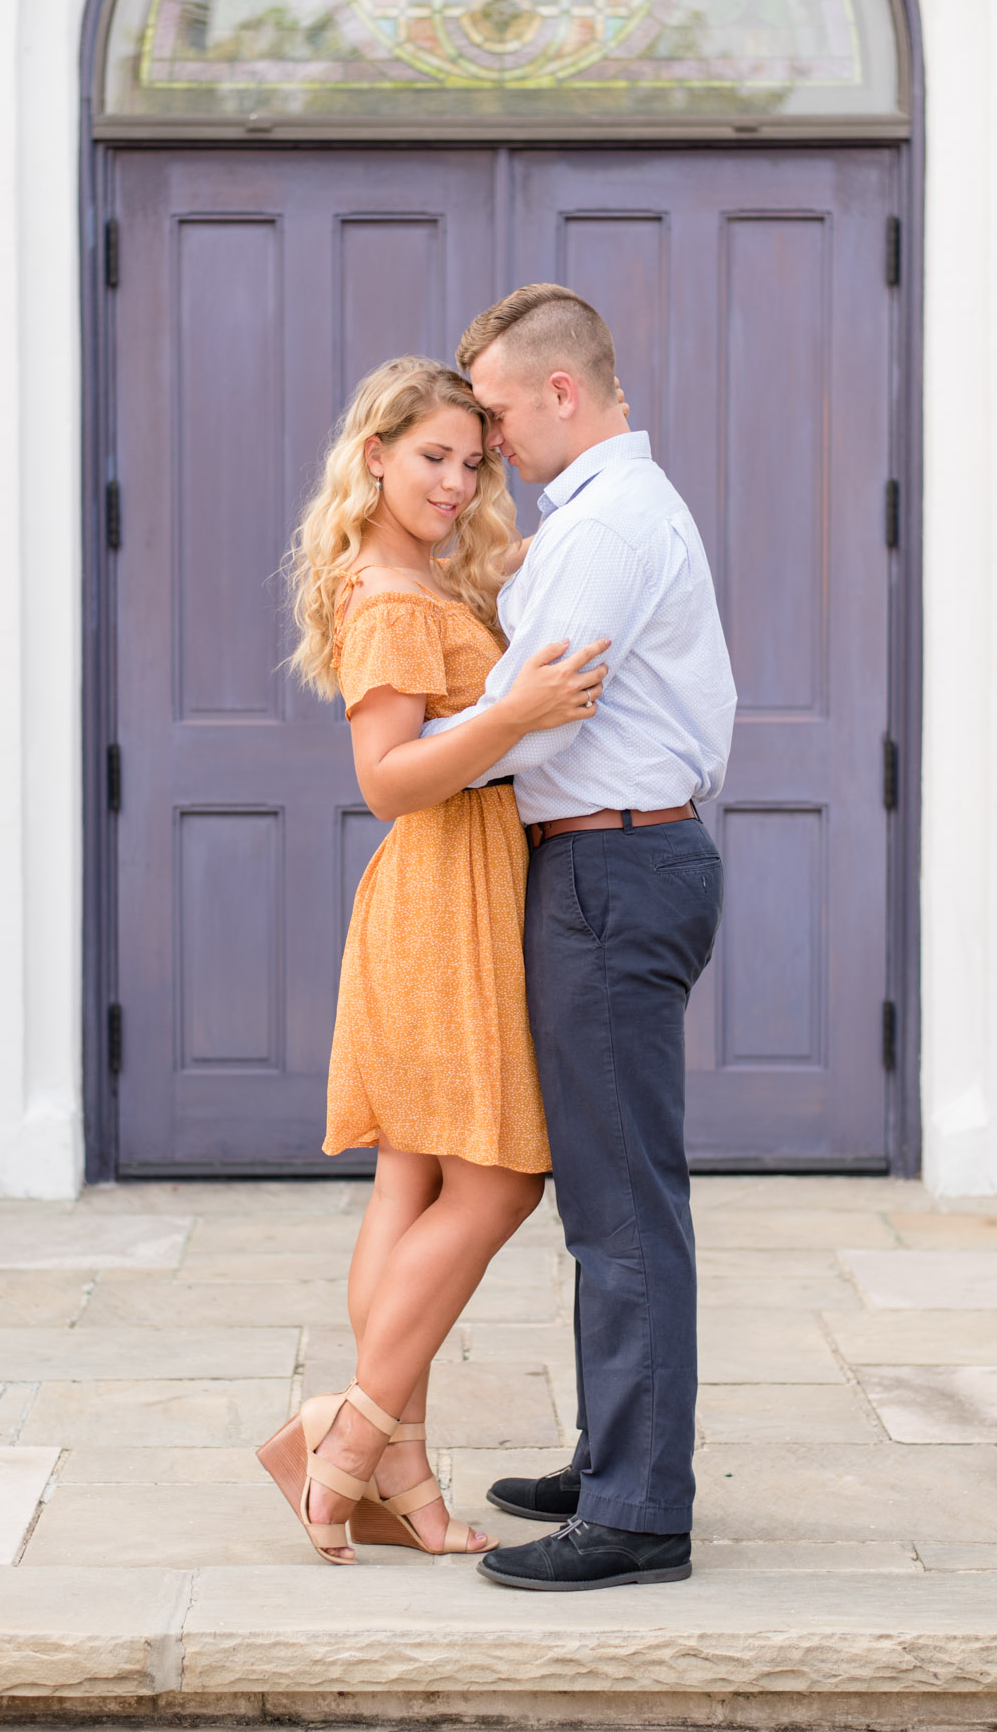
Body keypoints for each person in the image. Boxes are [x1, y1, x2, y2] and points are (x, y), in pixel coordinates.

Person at [257, 356, 610, 1565]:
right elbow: (385, 779)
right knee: (501, 1178)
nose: (457, 482)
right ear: (374, 455)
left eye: (474, 458)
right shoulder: (393, 598)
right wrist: (512, 716)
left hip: (456, 891)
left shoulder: (420, 573)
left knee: (409, 1180)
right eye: (431, 457)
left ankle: (393, 1463)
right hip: (441, 895)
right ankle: (347, 1431)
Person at [421, 284, 736, 1592]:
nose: (485, 440)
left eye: (492, 411)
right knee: (606, 1194)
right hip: (604, 859)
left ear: (561, 390)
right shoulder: (600, 517)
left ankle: (637, 1514)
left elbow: (528, 714)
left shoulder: (605, 526)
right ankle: (619, 1456)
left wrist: (411, 756)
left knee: (623, 1207)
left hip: (611, 864)